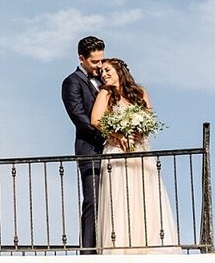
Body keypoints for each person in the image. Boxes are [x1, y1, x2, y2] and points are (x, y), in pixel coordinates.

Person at [89, 58, 180, 254]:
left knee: (144, 193)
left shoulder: (139, 92)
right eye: (101, 72)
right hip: (117, 151)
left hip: (139, 150)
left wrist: (139, 131)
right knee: (120, 195)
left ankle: (149, 243)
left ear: (119, 70)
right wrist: (117, 134)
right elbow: (96, 120)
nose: (103, 74)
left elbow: (149, 117)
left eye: (107, 70)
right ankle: (120, 245)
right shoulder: (105, 94)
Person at [61, 35, 107, 253]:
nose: (99, 66)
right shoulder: (71, 82)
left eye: (101, 60)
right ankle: (88, 251)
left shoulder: (105, 80)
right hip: (89, 148)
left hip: (111, 150)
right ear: (82, 59)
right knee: (92, 199)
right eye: (94, 62)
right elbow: (79, 117)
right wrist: (107, 135)